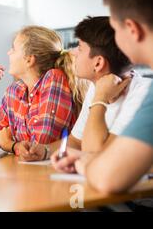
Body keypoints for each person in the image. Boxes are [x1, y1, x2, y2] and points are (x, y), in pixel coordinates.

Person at [51, 0, 153, 194]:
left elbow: (109, 177)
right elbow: (87, 148)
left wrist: (87, 162)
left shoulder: (148, 93)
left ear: (132, 29)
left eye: (116, 30)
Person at [22, 16, 151, 161]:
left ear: (98, 63)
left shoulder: (143, 96)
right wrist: (45, 150)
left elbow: (97, 154)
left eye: (80, 48)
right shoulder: (95, 86)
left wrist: (100, 99)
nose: (72, 52)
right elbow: (76, 141)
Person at [0, 26, 84, 157]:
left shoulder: (54, 79)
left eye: (13, 48)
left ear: (29, 59)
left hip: (53, 170)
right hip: (24, 171)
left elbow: (38, 146)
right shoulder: (14, 91)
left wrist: (9, 145)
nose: (8, 52)